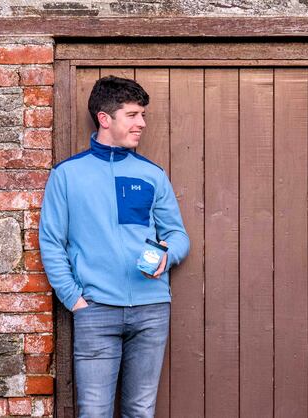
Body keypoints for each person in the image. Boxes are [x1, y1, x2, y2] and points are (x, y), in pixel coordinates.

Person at [40, 76, 190, 417]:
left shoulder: (152, 174)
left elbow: (178, 235)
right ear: (105, 118)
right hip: (95, 309)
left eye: (143, 115)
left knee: (140, 409)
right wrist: (74, 300)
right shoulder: (67, 175)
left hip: (152, 309)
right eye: (133, 115)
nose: (142, 123)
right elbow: (51, 241)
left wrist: (168, 255)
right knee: (94, 411)